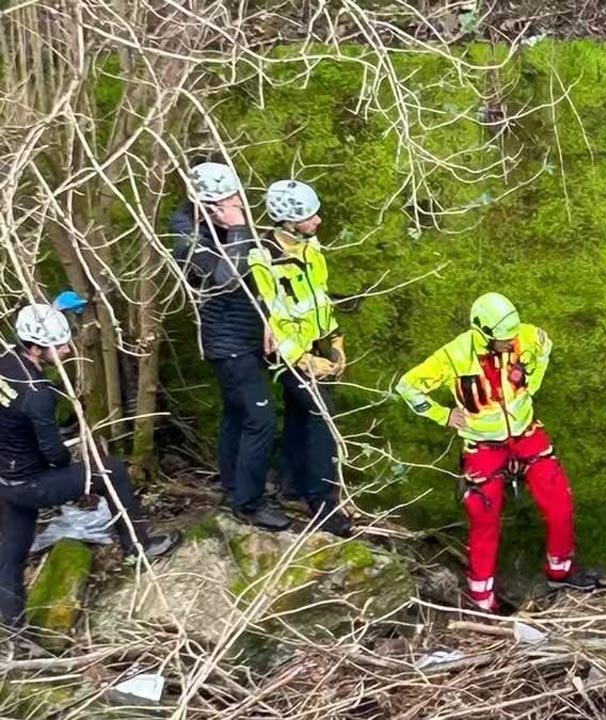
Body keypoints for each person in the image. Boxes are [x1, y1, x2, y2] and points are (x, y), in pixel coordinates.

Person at [395, 293, 592, 610]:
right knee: (484, 519)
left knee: (560, 502)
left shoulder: (524, 336)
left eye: (512, 336)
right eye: (503, 339)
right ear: (483, 333)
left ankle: (561, 570)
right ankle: (482, 596)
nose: (511, 342)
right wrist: (442, 415)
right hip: (483, 446)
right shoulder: (455, 355)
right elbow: (407, 386)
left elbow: (544, 345)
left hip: (527, 433)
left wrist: (535, 372)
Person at [0, 304, 178, 629]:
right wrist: (69, 467)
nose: (68, 349)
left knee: (11, 553)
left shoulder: (5, 364)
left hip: (6, 480)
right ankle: (138, 547)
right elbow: (54, 453)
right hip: (31, 483)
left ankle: (15, 629)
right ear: (37, 348)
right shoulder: (38, 393)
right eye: (61, 345)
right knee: (112, 471)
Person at [170, 161, 288, 531]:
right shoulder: (189, 237)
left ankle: (236, 486)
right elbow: (226, 277)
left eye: (236, 198)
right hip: (226, 342)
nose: (238, 206)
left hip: (248, 332)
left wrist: (269, 317)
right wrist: (238, 229)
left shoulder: (230, 223)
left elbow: (257, 274)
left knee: (237, 415)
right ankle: (249, 504)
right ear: (207, 206)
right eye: (227, 201)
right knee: (260, 418)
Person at [247, 179, 352, 537]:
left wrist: (335, 340)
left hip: (315, 348)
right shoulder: (263, 256)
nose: (319, 220)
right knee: (322, 420)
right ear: (289, 221)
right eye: (310, 216)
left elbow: (319, 299)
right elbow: (272, 317)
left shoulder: (310, 248)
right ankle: (323, 503)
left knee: (298, 416)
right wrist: (303, 359)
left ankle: (290, 482)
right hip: (289, 357)